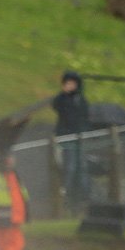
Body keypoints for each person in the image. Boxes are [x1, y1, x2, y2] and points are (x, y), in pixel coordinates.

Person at [52, 70, 90, 211]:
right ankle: (65, 196)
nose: (69, 86)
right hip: (67, 138)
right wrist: (64, 94)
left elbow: (85, 117)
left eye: (72, 83)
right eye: (67, 83)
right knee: (70, 167)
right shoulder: (62, 100)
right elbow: (56, 106)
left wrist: (83, 131)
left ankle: (83, 197)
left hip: (79, 138)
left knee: (82, 168)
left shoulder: (81, 100)